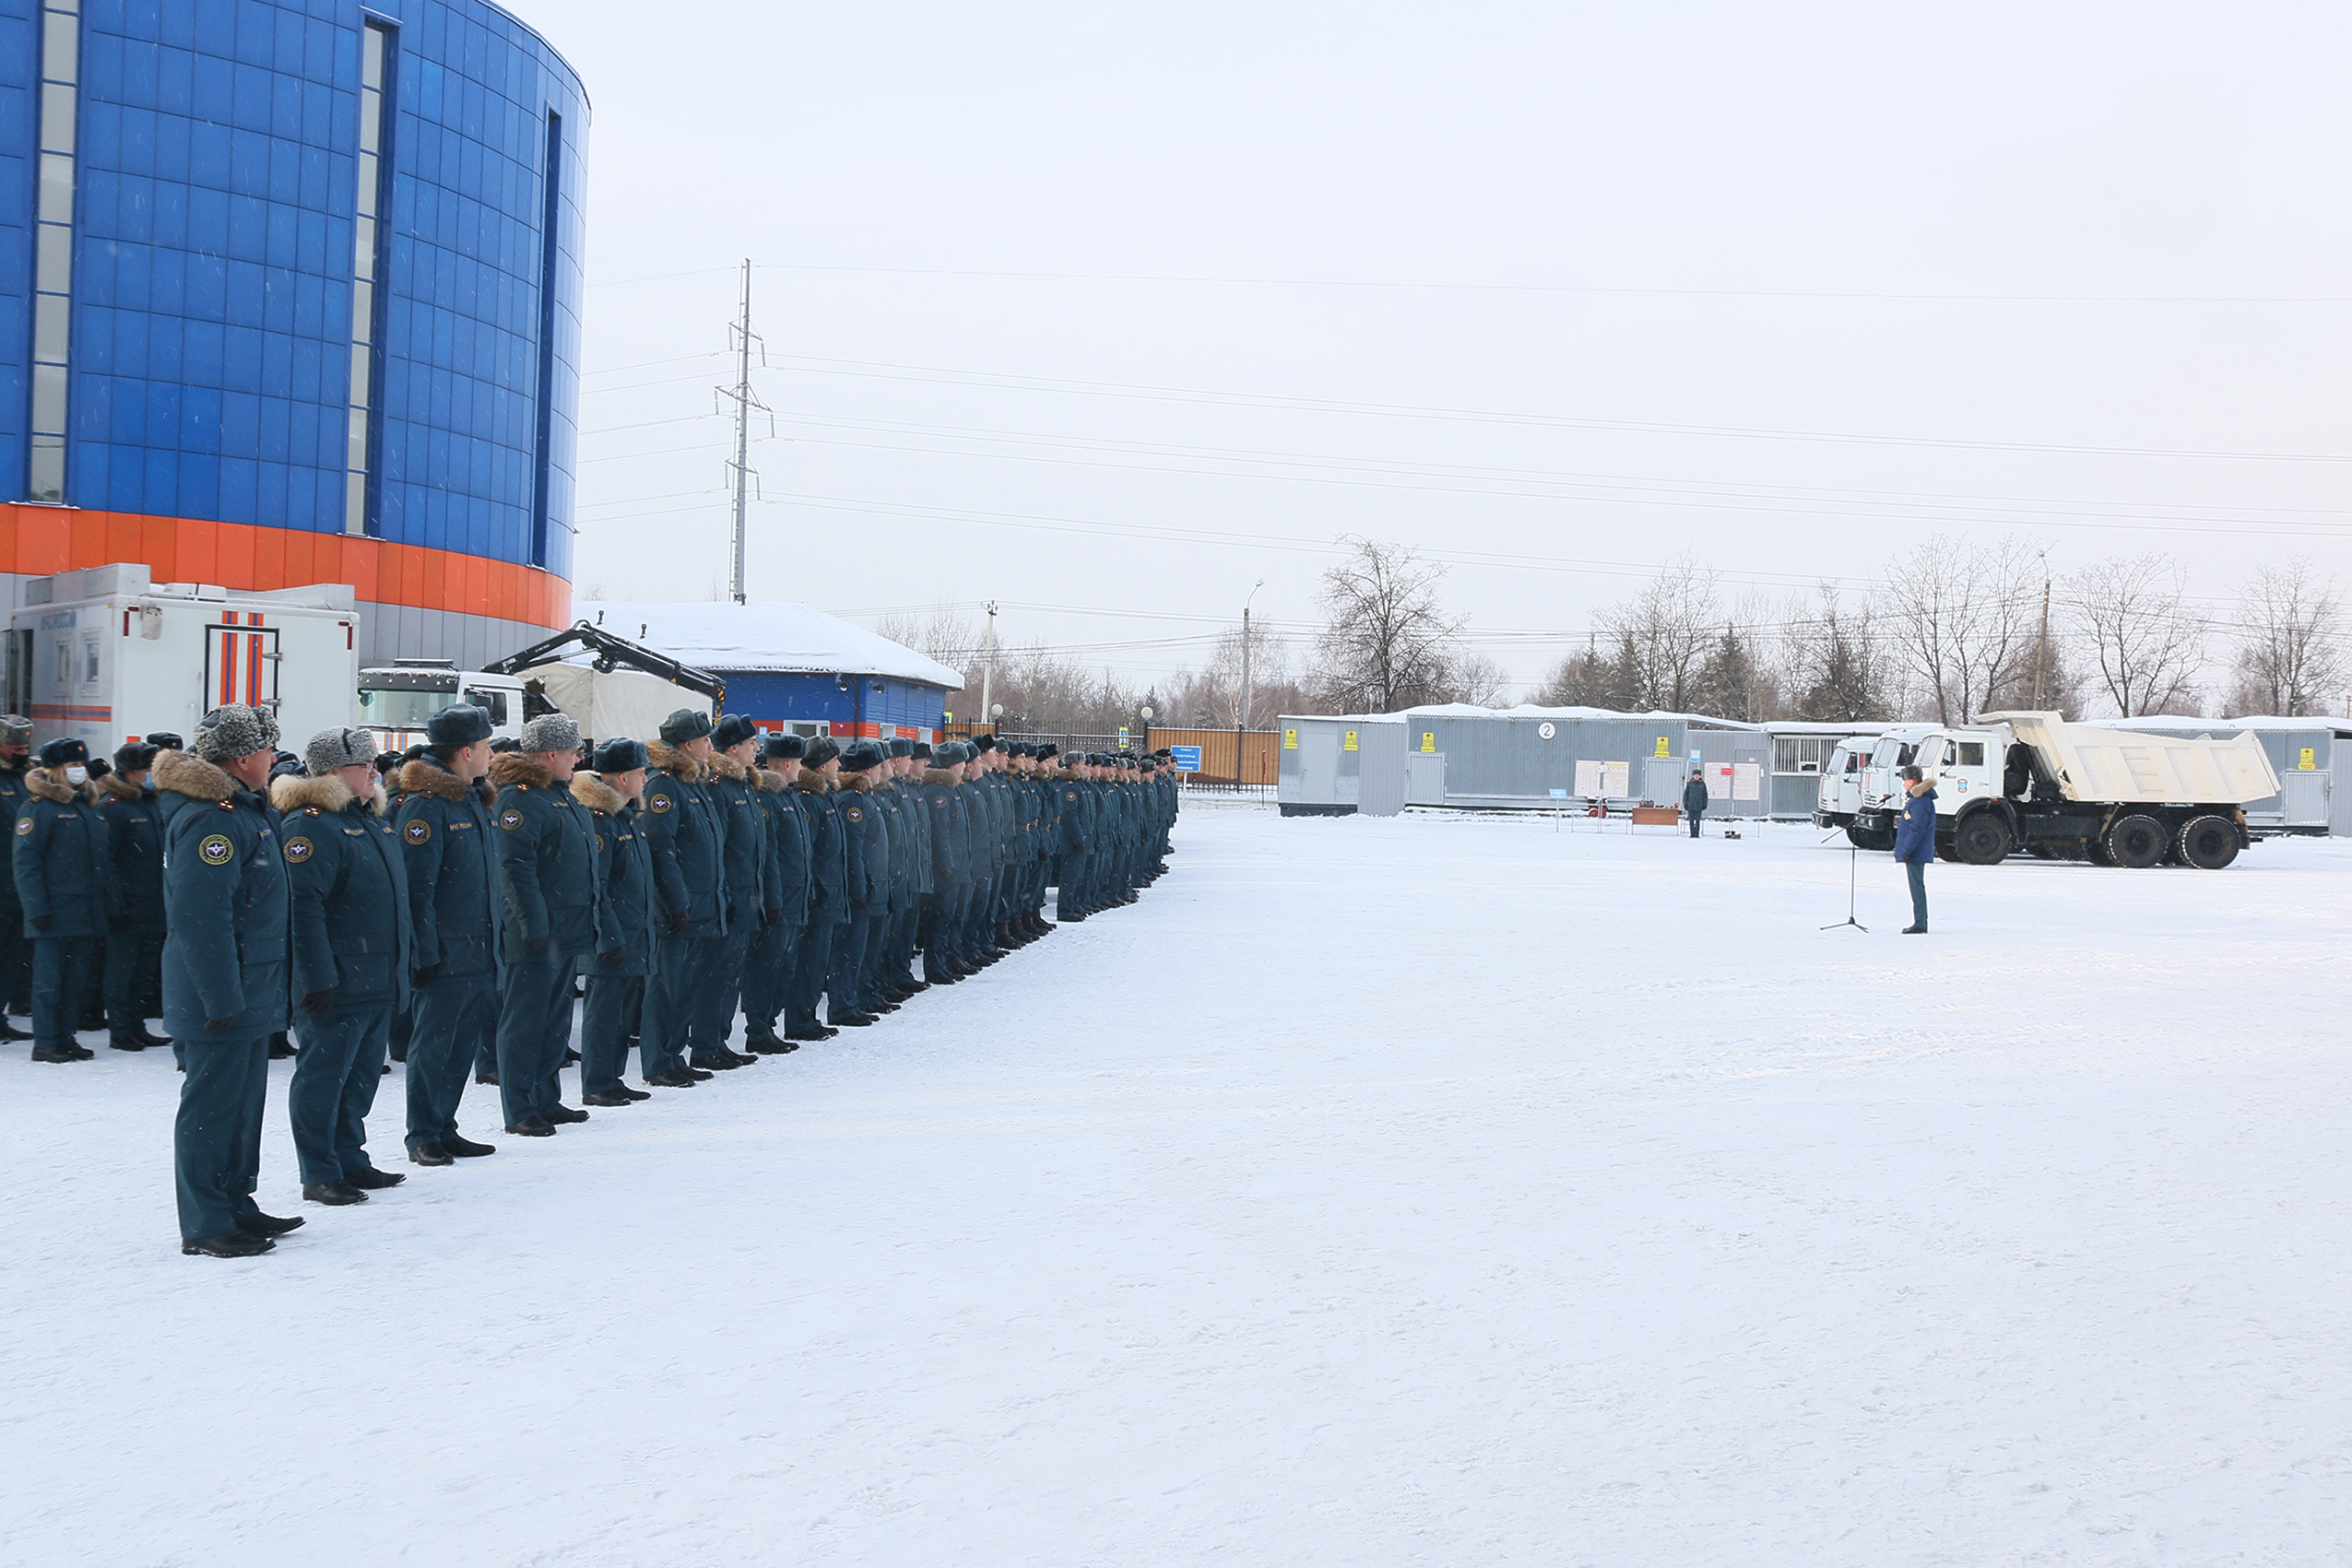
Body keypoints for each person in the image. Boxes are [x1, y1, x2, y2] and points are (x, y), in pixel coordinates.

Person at [160, 703, 301, 1259]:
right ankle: (205, 1222)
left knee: (242, 1108)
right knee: (212, 1110)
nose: (273, 759)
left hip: (252, 985)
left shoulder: (245, 811)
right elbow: (201, 918)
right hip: (221, 991)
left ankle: (236, 1204)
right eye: (267, 749)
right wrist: (220, 996)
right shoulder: (213, 819)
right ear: (243, 757)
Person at [276, 726, 412, 1205]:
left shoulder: (371, 820)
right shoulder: (310, 825)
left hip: (375, 974)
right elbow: (303, 908)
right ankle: (319, 1170)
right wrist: (316, 975)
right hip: (338, 979)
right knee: (324, 1077)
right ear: (334, 772)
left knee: (359, 1076)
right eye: (363, 765)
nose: (374, 772)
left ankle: (349, 1157)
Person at [395, 704, 502, 1167]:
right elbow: (417, 890)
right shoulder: (425, 806)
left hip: (477, 946)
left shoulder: (472, 799)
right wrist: (423, 952)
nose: (491, 754)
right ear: (464, 751)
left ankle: (445, 1125)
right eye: (485, 746)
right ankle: (422, 1132)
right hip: (445, 950)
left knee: (460, 1044)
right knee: (433, 1043)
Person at [489, 713, 601, 1136]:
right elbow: (515, 869)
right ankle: (520, 1107)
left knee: (553, 1020)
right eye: (573, 752)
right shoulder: (519, 799)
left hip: (567, 928)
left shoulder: (560, 795)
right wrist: (533, 926)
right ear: (550, 753)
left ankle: (546, 1097)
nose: (578, 759)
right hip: (536, 933)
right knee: (525, 1021)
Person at [14, 737, 112, 1063]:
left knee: (75, 980)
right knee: (49, 979)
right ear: (56, 769)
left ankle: (65, 1036)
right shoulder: (38, 808)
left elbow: (101, 861)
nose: (78, 771)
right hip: (54, 909)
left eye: (80, 765)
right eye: (72, 765)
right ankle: (45, 1040)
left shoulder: (86, 806)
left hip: (86, 909)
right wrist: (36, 908)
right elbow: (27, 863)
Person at [641, 708, 725, 1087]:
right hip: (680, 905)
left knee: (687, 984)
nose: (711, 746)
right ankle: (659, 1061)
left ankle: (674, 1054)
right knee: (667, 986)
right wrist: (675, 902)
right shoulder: (664, 785)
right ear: (687, 745)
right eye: (706, 740)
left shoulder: (692, 782)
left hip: (702, 901)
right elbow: (662, 849)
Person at [573, 738, 656, 1108]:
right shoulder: (600, 820)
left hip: (631, 928)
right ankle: (596, 1082)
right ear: (623, 777)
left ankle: (612, 1077)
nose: (645, 780)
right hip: (613, 934)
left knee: (621, 1014)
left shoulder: (623, 814)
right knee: (604, 1013)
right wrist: (608, 936)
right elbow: (597, 886)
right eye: (641, 773)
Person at [691, 713, 769, 1072]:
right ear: (734, 748)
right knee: (716, 973)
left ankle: (718, 1040)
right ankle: (706, 1043)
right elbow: (718, 850)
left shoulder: (743, 786)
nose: (757, 750)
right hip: (730, 896)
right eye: (751, 744)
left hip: (746, 893)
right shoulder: (719, 787)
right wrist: (726, 896)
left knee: (730, 972)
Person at [98, 743, 170, 1053]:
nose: (152, 776)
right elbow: (106, 861)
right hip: (128, 903)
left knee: (143, 971)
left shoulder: (152, 803)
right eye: (147, 770)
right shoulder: (112, 807)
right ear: (130, 773)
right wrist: (116, 904)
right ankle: (120, 1028)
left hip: (154, 902)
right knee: (122, 971)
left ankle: (137, 1024)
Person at [742, 734, 810, 1054]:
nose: (801, 769)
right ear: (786, 764)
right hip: (779, 897)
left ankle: (767, 1023)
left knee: (785, 966)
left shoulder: (788, 795)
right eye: (798, 763)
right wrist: (773, 900)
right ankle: (758, 1027)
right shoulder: (768, 798)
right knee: (767, 966)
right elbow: (768, 856)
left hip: (795, 895)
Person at [0, 714, 33, 1041]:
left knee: (12, 957)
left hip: (16, 885)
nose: (21, 751)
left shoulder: (26, 777)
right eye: (15, 746)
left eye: (25, 745)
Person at [1893, 763, 1936, 935]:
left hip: (1916, 852)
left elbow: (1916, 828)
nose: (1904, 784)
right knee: (1916, 886)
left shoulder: (1919, 802)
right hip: (1915, 850)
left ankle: (1920, 923)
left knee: (1917, 886)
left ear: (1911, 782)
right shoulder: (1917, 800)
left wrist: (1907, 849)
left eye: (1905, 781)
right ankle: (1919, 921)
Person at [1683, 769, 1708, 839]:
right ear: (1693, 776)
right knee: (1691, 821)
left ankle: (1696, 834)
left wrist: (1705, 804)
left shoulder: (1702, 785)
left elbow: (1705, 795)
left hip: (1699, 806)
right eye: (1695, 775)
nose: (1696, 777)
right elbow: (1686, 794)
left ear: (1700, 776)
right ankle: (1692, 833)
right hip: (1690, 805)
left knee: (1697, 820)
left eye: (1698, 775)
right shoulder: (1690, 784)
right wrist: (1685, 803)